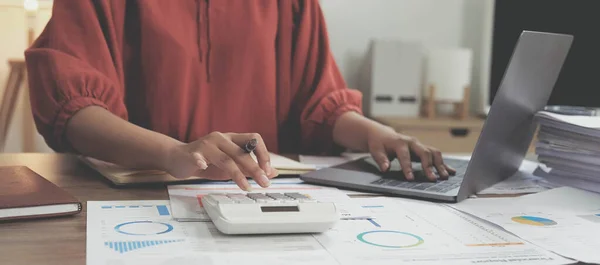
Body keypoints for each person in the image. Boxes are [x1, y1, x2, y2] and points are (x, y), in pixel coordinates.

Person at [25, 0, 455, 191]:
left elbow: (319, 103)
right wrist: (176, 153)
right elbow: (74, 110)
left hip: (262, 197)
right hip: (138, 202)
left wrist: (377, 133)